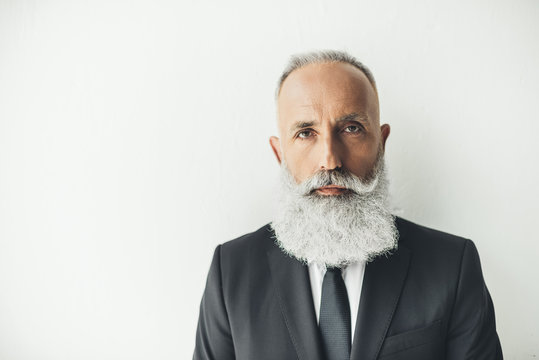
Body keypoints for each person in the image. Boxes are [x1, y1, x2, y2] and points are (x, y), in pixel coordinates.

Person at [193, 50, 503, 360]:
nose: (330, 160)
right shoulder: (230, 272)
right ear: (279, 153)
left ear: (381, 143)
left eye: (351, 128)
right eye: (305, 133)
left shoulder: (452, 266)